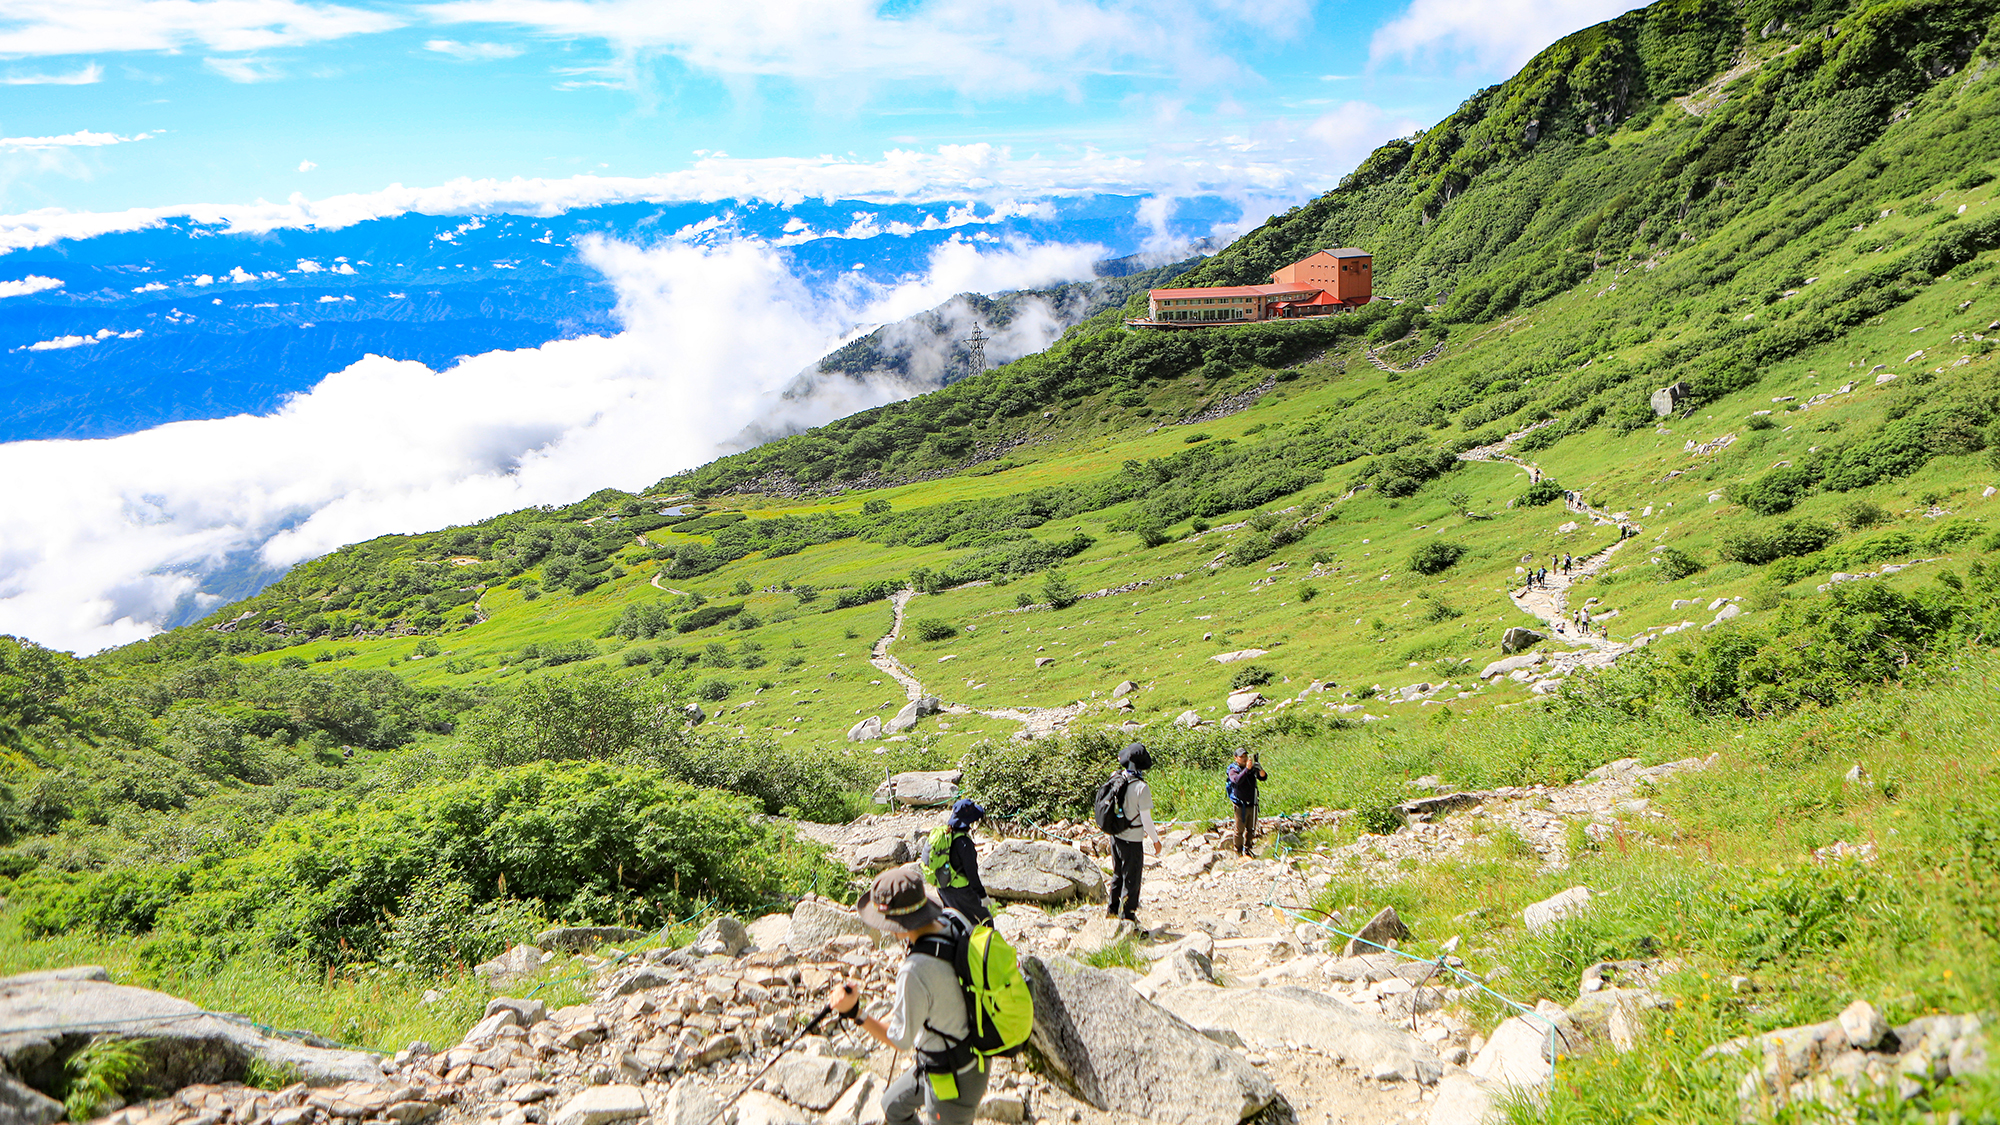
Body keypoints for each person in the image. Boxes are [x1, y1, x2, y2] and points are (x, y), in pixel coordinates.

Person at [826, 865, 987, 1125]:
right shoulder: (951, 920)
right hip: (965, 1054)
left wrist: (856, 1012)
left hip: (952, 1076)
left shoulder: (914, 971)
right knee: (893, 1106)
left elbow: (900, 1041)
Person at [1105, 742, 1162, 924]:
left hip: (1116, 836)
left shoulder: (1117, 778)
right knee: (1132, 880)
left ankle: (1112, 912)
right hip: (1133, 840)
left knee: (1117, 874)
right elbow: (1146, 819)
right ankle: (1128, 918)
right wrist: (1155, 840)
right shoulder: (1141, 788)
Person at [924, 798, 993, 925]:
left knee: (957, 922)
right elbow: (972, 874)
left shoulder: (946, 834)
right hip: (960, 891)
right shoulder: (964, 844)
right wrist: (982, 896)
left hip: (943, 888)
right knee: (985, 920)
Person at [1226, 748, 1268, 857]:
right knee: (1239, 829)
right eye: (1241, 757)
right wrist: (1247, 770)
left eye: (1245, 756)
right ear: (1236, 758)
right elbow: (1237, 780)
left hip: (1252, 803)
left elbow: (1263, 778)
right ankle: (1238, 851)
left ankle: (1248, 848)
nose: (1244, 759)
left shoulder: (1252, 769)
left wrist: (1260, 768)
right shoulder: (1233, 769)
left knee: (1251, 828)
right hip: (1240, 804)